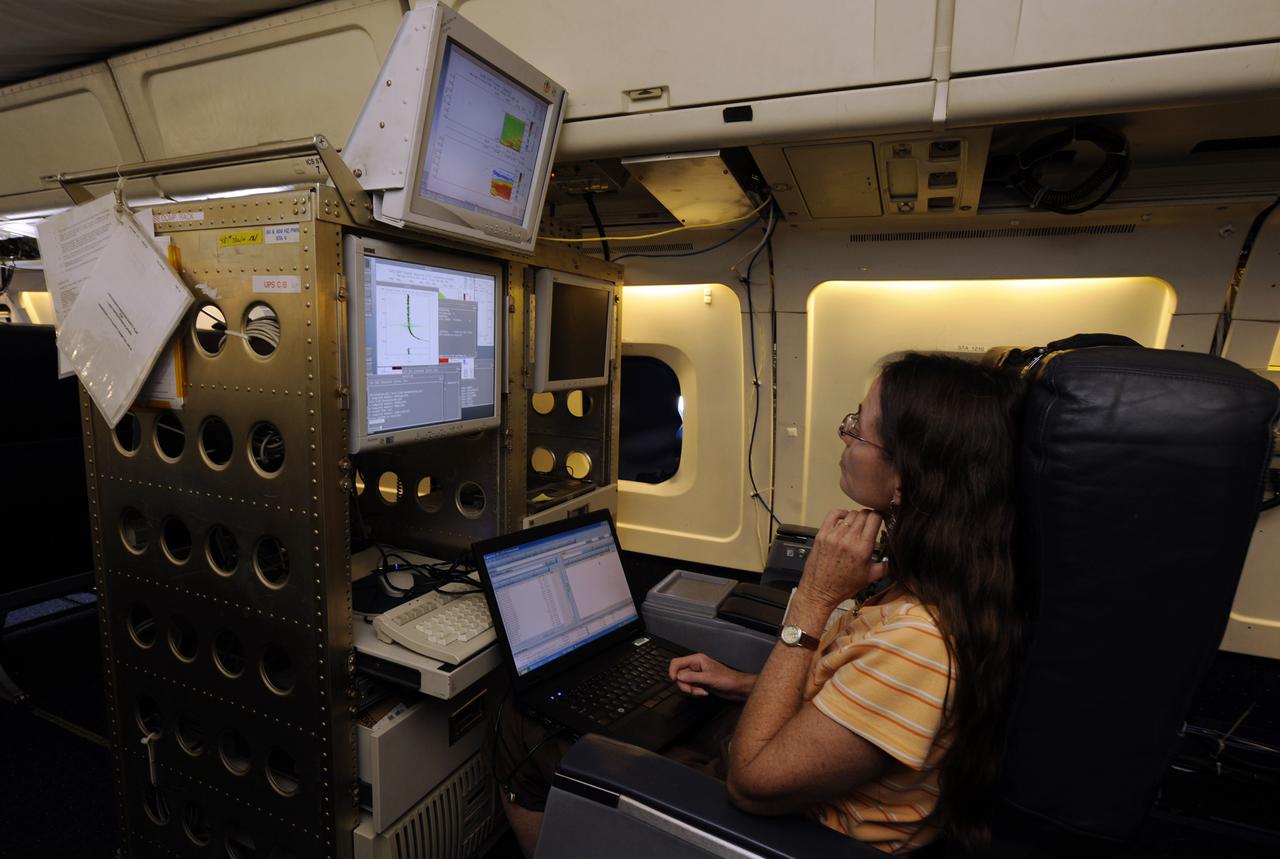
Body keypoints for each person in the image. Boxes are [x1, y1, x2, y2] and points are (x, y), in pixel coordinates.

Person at [495, 353, 1026, 855]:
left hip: (785, 834)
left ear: (906, 477)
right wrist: (743, 683)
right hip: (797, 780)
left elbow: (752, 783)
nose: (844, 436)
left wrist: (813, 602)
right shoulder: (930, 583)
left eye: (858, 428)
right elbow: (852, 704)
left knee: (523, 723)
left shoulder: (918, 644)